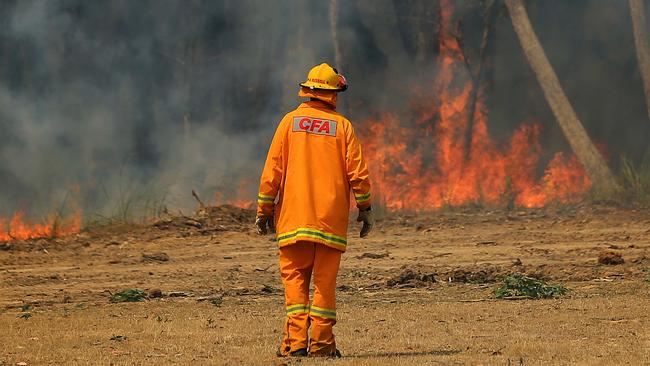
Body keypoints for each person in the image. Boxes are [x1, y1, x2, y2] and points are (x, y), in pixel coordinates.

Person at [255, 63, 374, 358]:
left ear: (308, 90)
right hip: (329, 223)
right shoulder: (342, 127)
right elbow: (358, 173)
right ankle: (321, 345)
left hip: (293, 221)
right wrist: (365, 208)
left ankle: (295, 344)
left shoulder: (289, 122)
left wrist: (264, 210)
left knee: (295, 284)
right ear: (334, 93)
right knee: (323, 286)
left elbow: (272, 170)